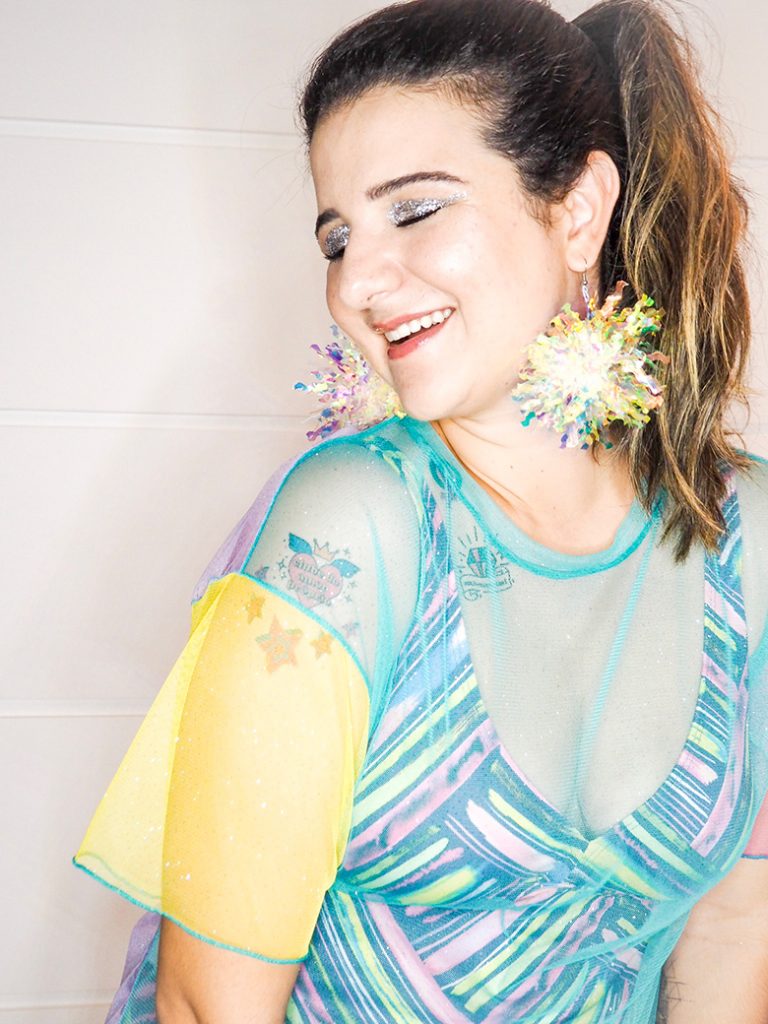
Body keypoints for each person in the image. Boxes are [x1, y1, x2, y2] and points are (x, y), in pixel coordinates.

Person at [74, 0, 768, 1021]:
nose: (356, 282)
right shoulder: (354, 523)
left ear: (579, 211)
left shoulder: (743, 535)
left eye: (414, 211)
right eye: (336, 237)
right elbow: (206, 1006)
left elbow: (733, 929)